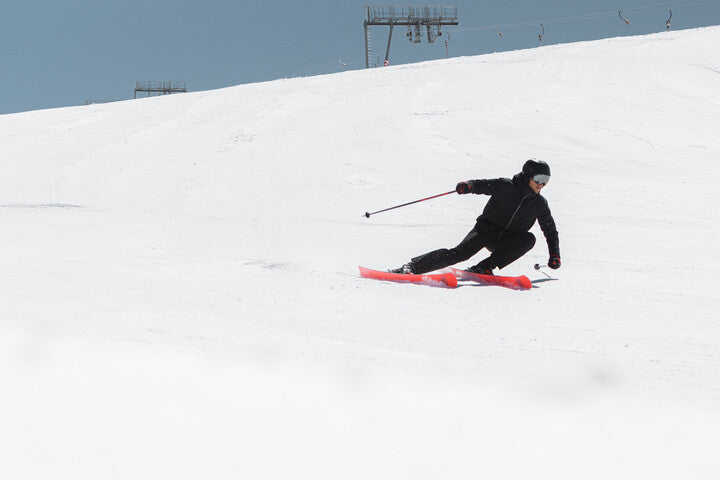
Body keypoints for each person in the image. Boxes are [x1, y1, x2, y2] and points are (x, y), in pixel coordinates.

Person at [390, 159, 561, 275]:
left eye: (546, 180)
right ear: (527, 175)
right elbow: (483, 185)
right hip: (485, 230)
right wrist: (469, 186)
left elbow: (550, 231)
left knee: (529, 239)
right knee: (459, 254)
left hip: (506, 241)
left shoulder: (540, 204)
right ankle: (411, 267)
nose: (541, 184)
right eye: (539, 178)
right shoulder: (506, 186)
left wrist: (555, 255)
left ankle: (483, 268)